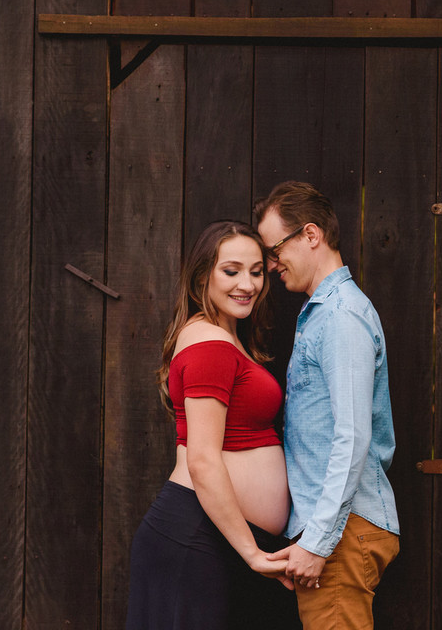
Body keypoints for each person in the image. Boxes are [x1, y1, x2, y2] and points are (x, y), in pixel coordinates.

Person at [126, 220, 300, 630]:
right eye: (232, 270)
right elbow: (202, 460)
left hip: (216, 537)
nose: (248, 284)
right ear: (203, 275)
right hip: (197, 537)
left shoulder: (225, 337)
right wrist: (253, 554)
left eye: (257, 271)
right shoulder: (210, 344)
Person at [254, 181, 399, 629]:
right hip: (338, 530)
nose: (273, 265)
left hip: (341, 534)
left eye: (276, 250)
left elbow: (352, 436)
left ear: (311, 236)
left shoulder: (340, 317)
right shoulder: (324, 313)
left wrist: (317, 542)